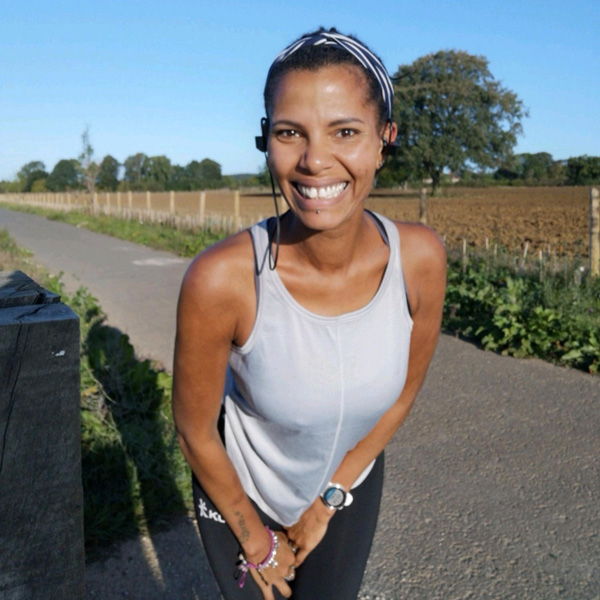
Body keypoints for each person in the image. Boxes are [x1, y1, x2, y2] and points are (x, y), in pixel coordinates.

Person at [172, 27, 446, 600]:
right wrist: (257, 540)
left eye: (345, 131)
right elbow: (196, 431)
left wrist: (330, 501)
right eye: (289, 133)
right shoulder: (223, 278)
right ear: (265, 142)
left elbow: (401, 397)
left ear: (383, 140)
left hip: (346, 485)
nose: (315, 160)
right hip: (238, 493)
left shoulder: (419, 259)